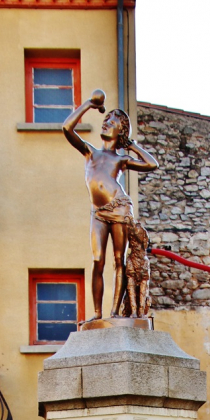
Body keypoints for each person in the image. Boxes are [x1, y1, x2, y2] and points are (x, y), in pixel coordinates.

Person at [63, 90, 158, 319]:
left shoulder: (120, 159)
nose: (105, 124)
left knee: (119, 261)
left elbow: (151, 164)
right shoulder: (90, 152)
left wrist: (131, 145)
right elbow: (67, 129)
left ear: (120, 131)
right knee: (97, 260)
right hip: (98, 212)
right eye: (105, 120)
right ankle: (97, 314)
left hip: (119, 208)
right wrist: (89, 104)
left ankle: (115, 313)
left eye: (111, 122)